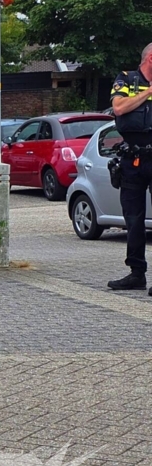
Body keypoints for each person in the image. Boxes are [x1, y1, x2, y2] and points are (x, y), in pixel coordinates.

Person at [107, 42, 152, 293]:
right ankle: (137, 274)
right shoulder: (126, 79)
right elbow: (119, 107)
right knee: (133, 220)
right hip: (133, 160)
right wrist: (147, 93)